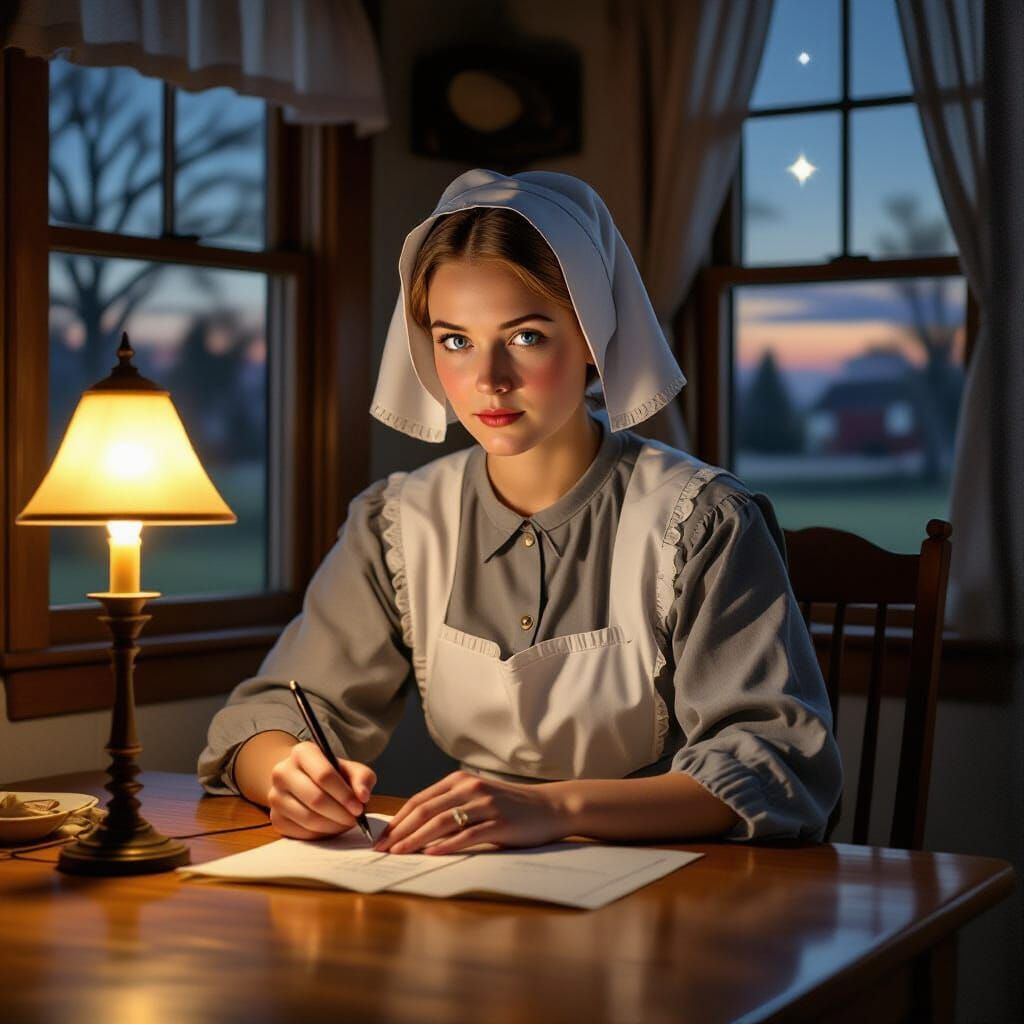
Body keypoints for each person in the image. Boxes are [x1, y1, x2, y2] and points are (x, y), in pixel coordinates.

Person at [198, 168, 842, 855]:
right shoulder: (397, 524)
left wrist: (555, 809)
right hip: (470, 884)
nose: (489, 379)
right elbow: (266, 716)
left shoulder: (703, 521)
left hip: (681, 891)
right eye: (455, 340)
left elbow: (773, 761)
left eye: (527, 336)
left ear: (593, 338)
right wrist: (288, 775)